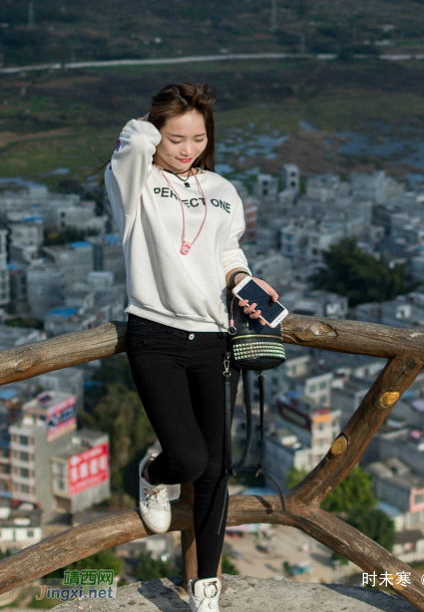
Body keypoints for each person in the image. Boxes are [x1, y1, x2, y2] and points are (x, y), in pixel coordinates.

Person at [105, 82, 278, 612]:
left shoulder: (223, 188)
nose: (187, 149)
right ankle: (152, 474)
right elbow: (133, 142)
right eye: (175, 138)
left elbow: (228, 252)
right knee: (187, 457)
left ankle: (206, 586)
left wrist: (245, 282)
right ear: (156, 133)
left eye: (198, 138)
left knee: (216, 469)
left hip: (215, 338)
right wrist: (159, 120)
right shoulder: (134, 182)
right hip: (154, 334)